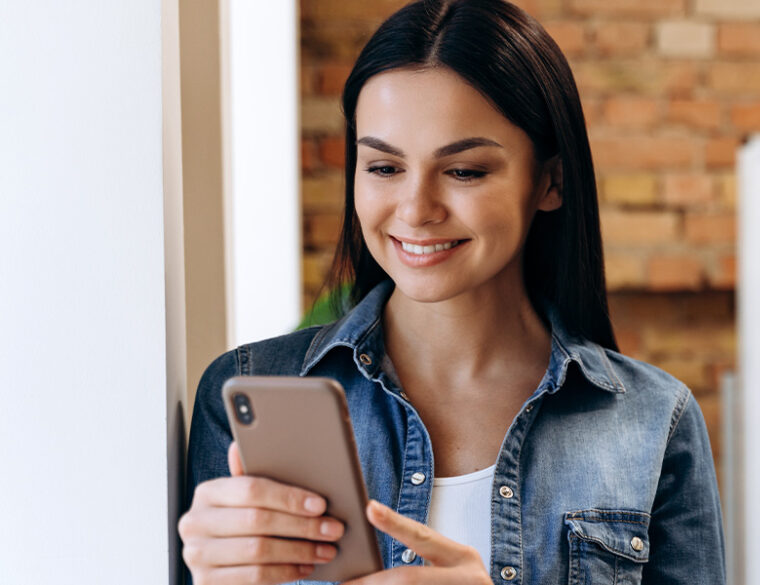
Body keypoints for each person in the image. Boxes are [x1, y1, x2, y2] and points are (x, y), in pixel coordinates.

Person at [177, 0, 725, 583]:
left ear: (550, 181)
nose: (416, 210)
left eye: (464, 171)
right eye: (384, 168)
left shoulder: (651, 421)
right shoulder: (251, 392)